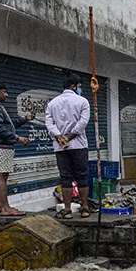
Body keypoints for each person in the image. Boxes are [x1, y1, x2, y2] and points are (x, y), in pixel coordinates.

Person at [0, 82, 33, 216]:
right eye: (4, 92)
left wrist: (25, 119)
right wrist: (16, 138)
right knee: (2, 175)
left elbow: (7, 125)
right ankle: (6, 208)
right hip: (1, 146)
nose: (6, 95)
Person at [45, 74, 91, 219]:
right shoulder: (83, 102)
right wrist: (69, 137)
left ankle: (67, 210)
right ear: (73, 86)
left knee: (65, 178)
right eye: (79, 87)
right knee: (82, 177)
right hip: (78, 145)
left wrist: (59, 137)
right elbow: (83, 123)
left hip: (60, 147)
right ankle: (84, 208)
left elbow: (49, 123)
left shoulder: (52, 103)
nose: (80, 89)